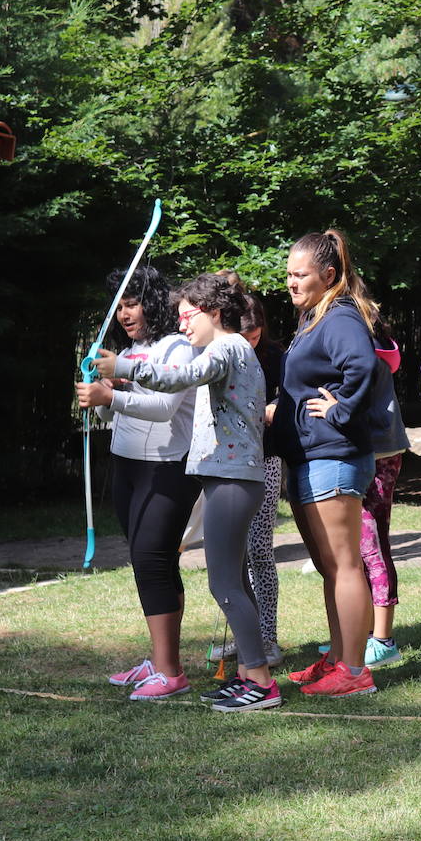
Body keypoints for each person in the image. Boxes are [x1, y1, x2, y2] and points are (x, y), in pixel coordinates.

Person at [93, 273, 278, 712]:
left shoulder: (225, 348)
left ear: (214, 313)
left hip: (233, 479)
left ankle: (263, 682)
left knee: (225, 583)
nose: (181, 326)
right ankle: (249, 674)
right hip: (228, 477)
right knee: (230, 582)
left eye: (187, 316)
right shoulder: (231, 349)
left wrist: (123, 368)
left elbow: (183, 376)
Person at [76, 266, 199, 701]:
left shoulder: (177, 348)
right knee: (155, 563)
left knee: (150, 560)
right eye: (121, 305)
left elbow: (165, 407)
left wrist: (112, 395)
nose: (126, 314)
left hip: (168, 467)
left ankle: (170, 673)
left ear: (153, 302)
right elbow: (118, 415)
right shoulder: (129, 351)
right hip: (125, 465)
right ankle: (163, 661)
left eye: (133, 303)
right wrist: (103, 395)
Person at [274, 230, 382, 698]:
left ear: (329, 275)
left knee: (344, 564)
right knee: (328, 566)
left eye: (301, 275)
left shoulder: (339, 317)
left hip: (333, 456)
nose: (292, 283)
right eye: (289, 274)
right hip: (309, 456)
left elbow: (364, 365)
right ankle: (339, 659)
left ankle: (356, 672)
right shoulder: (312, 318)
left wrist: (339, 411)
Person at [207, 286, 286, 668]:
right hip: (229, 465)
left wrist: (272, 407)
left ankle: (267, 637)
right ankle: (244, 636)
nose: (249, 343)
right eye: (245, 336)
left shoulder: (274, 356)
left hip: (265, 461)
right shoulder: (221, 352)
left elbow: (291, 397)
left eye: (255, 337)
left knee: (259, 551)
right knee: (231, 557)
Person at [360, 320, 410, 669]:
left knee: (372, 544)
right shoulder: (374, 345)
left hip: (376, 454)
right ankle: (363, 634)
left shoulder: (361, 350)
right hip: (377, 452)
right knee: (361, 547)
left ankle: (382, 640)